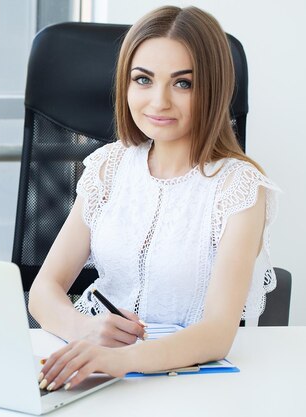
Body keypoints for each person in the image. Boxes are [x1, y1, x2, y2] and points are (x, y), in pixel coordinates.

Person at [28, 5, 279, 392]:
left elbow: (216, 334)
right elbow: (43, 292)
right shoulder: (108, 167)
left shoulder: (239, 188)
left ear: (214, 89)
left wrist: (120, 361)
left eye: (183, 84)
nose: (158, 102)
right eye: (143, 79)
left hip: (182, 376)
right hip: (87, 361)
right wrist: (86, 331)